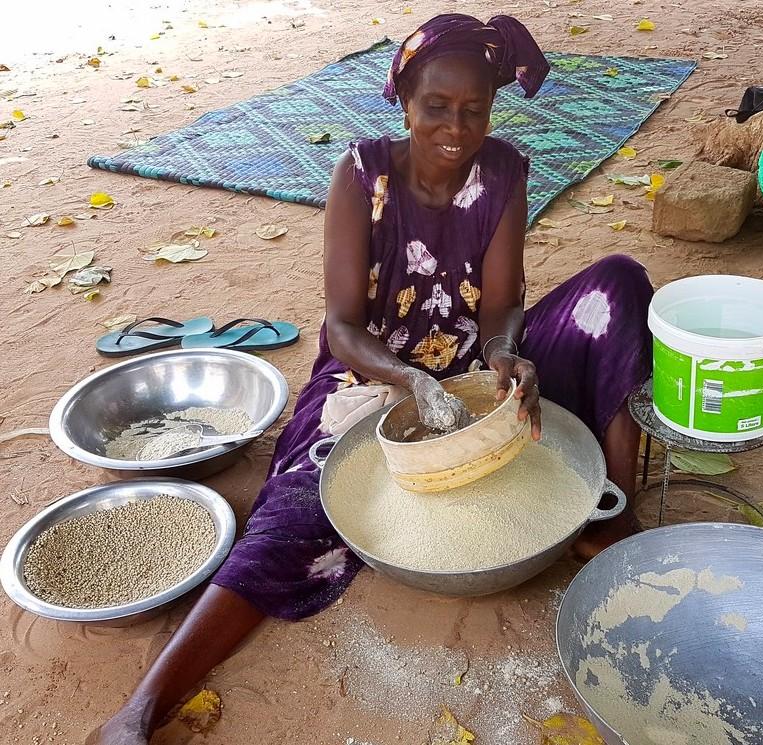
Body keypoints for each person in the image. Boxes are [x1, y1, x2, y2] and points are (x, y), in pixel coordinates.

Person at [88, 14, 653, 744]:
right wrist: (409, 380)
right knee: (296, 511)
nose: (456, 126)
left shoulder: (506, 169)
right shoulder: (362, 173)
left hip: (472, 361)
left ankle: (610, 515)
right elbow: (342, 326)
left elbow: (504, 302)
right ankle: (141, 708)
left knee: (618, 284)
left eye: (474, 109)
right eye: (436, 107)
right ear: (403, 99)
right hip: (374, 369)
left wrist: (506, 352)